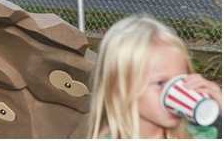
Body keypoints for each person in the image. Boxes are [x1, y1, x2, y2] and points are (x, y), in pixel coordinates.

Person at [88, 14, 222, 139]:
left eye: (179, 79)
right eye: (160, 83)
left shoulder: (199, 135)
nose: (173, 90)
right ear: (120, 88)